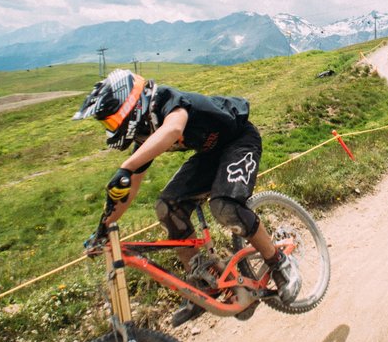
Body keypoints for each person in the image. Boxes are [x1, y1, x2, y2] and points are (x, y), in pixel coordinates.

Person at [73, 69, 301, 326]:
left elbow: (173, 129)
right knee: (167, 207)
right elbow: (131, 189)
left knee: (224, 206)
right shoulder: (145, 133)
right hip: (210, 154)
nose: (111, 129)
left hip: (240, 140)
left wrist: (126, 166)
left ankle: (278, 262)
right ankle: (201, 281)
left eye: (112, 122)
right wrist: (104, 227)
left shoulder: (165, 100)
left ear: (131, 104)